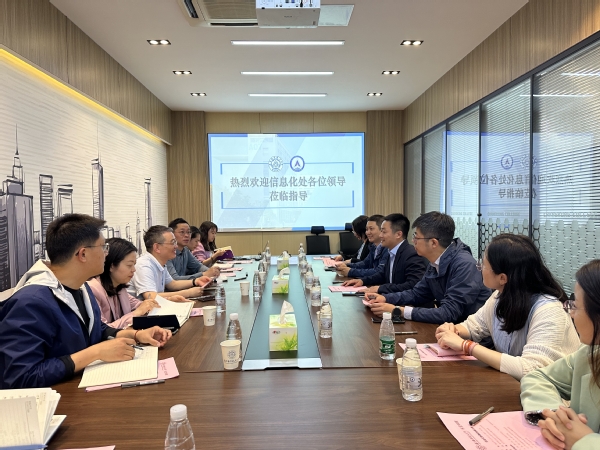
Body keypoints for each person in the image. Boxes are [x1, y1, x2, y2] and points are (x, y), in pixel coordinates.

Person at [0, 214, 172, 389]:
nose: (106, 253)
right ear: (83, 254)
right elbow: (21, 377)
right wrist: (95, 353)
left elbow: (97, 329)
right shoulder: (30, 302)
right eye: (103, 247)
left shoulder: (82, 288)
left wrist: (135, 335)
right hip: (57, 400)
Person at [435, 234, 579, 380]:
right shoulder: (500, 296)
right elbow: (474, 326)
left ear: (502, 278)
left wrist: (467, 346)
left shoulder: (549, 310)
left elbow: (530, 369)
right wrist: (453, 330)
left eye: (484, 265)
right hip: (513, 384)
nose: (480, 268)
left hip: (553, 391)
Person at [521, 259, 600, 450]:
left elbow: (527, 366)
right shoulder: (589, 355)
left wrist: (584, 441)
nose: (570, 313)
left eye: (575, 306)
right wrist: (558, 417)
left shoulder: (547, 308)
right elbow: (537, 377)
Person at [367, 211, 491, 324]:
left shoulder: (464, 265)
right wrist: (385, 298)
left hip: (471, 334)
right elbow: (417, 293)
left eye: (416, 237)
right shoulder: (436, 261)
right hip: (450, 330)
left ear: (433, 243)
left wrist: (398, 311)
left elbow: (448, 313)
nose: (413, 241)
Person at [88, 238, 164, 328]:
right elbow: (103, 330)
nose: (134, 270)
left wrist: (152, 304)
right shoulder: (92, 290)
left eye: (134, 265)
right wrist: (136, 313)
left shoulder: (119, 287)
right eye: (129, 265)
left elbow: (138, 304)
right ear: (111, 266)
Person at [343, 213, 426, 294]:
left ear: (398, 234)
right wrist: (362, 281)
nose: (380, 235)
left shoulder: (411, 254)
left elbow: (412, 285)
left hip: (403, 301)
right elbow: (382, 274)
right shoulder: (392, 251)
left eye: (384, 232)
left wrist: (380, 288)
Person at [130, 225, 211, 300]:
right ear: (157, 247)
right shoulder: (144, 265)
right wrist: (188, 293)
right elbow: (151, 296)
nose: (176, 246)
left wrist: (196, 281)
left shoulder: (160, 262)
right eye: (172, 243)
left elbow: (172, 284)